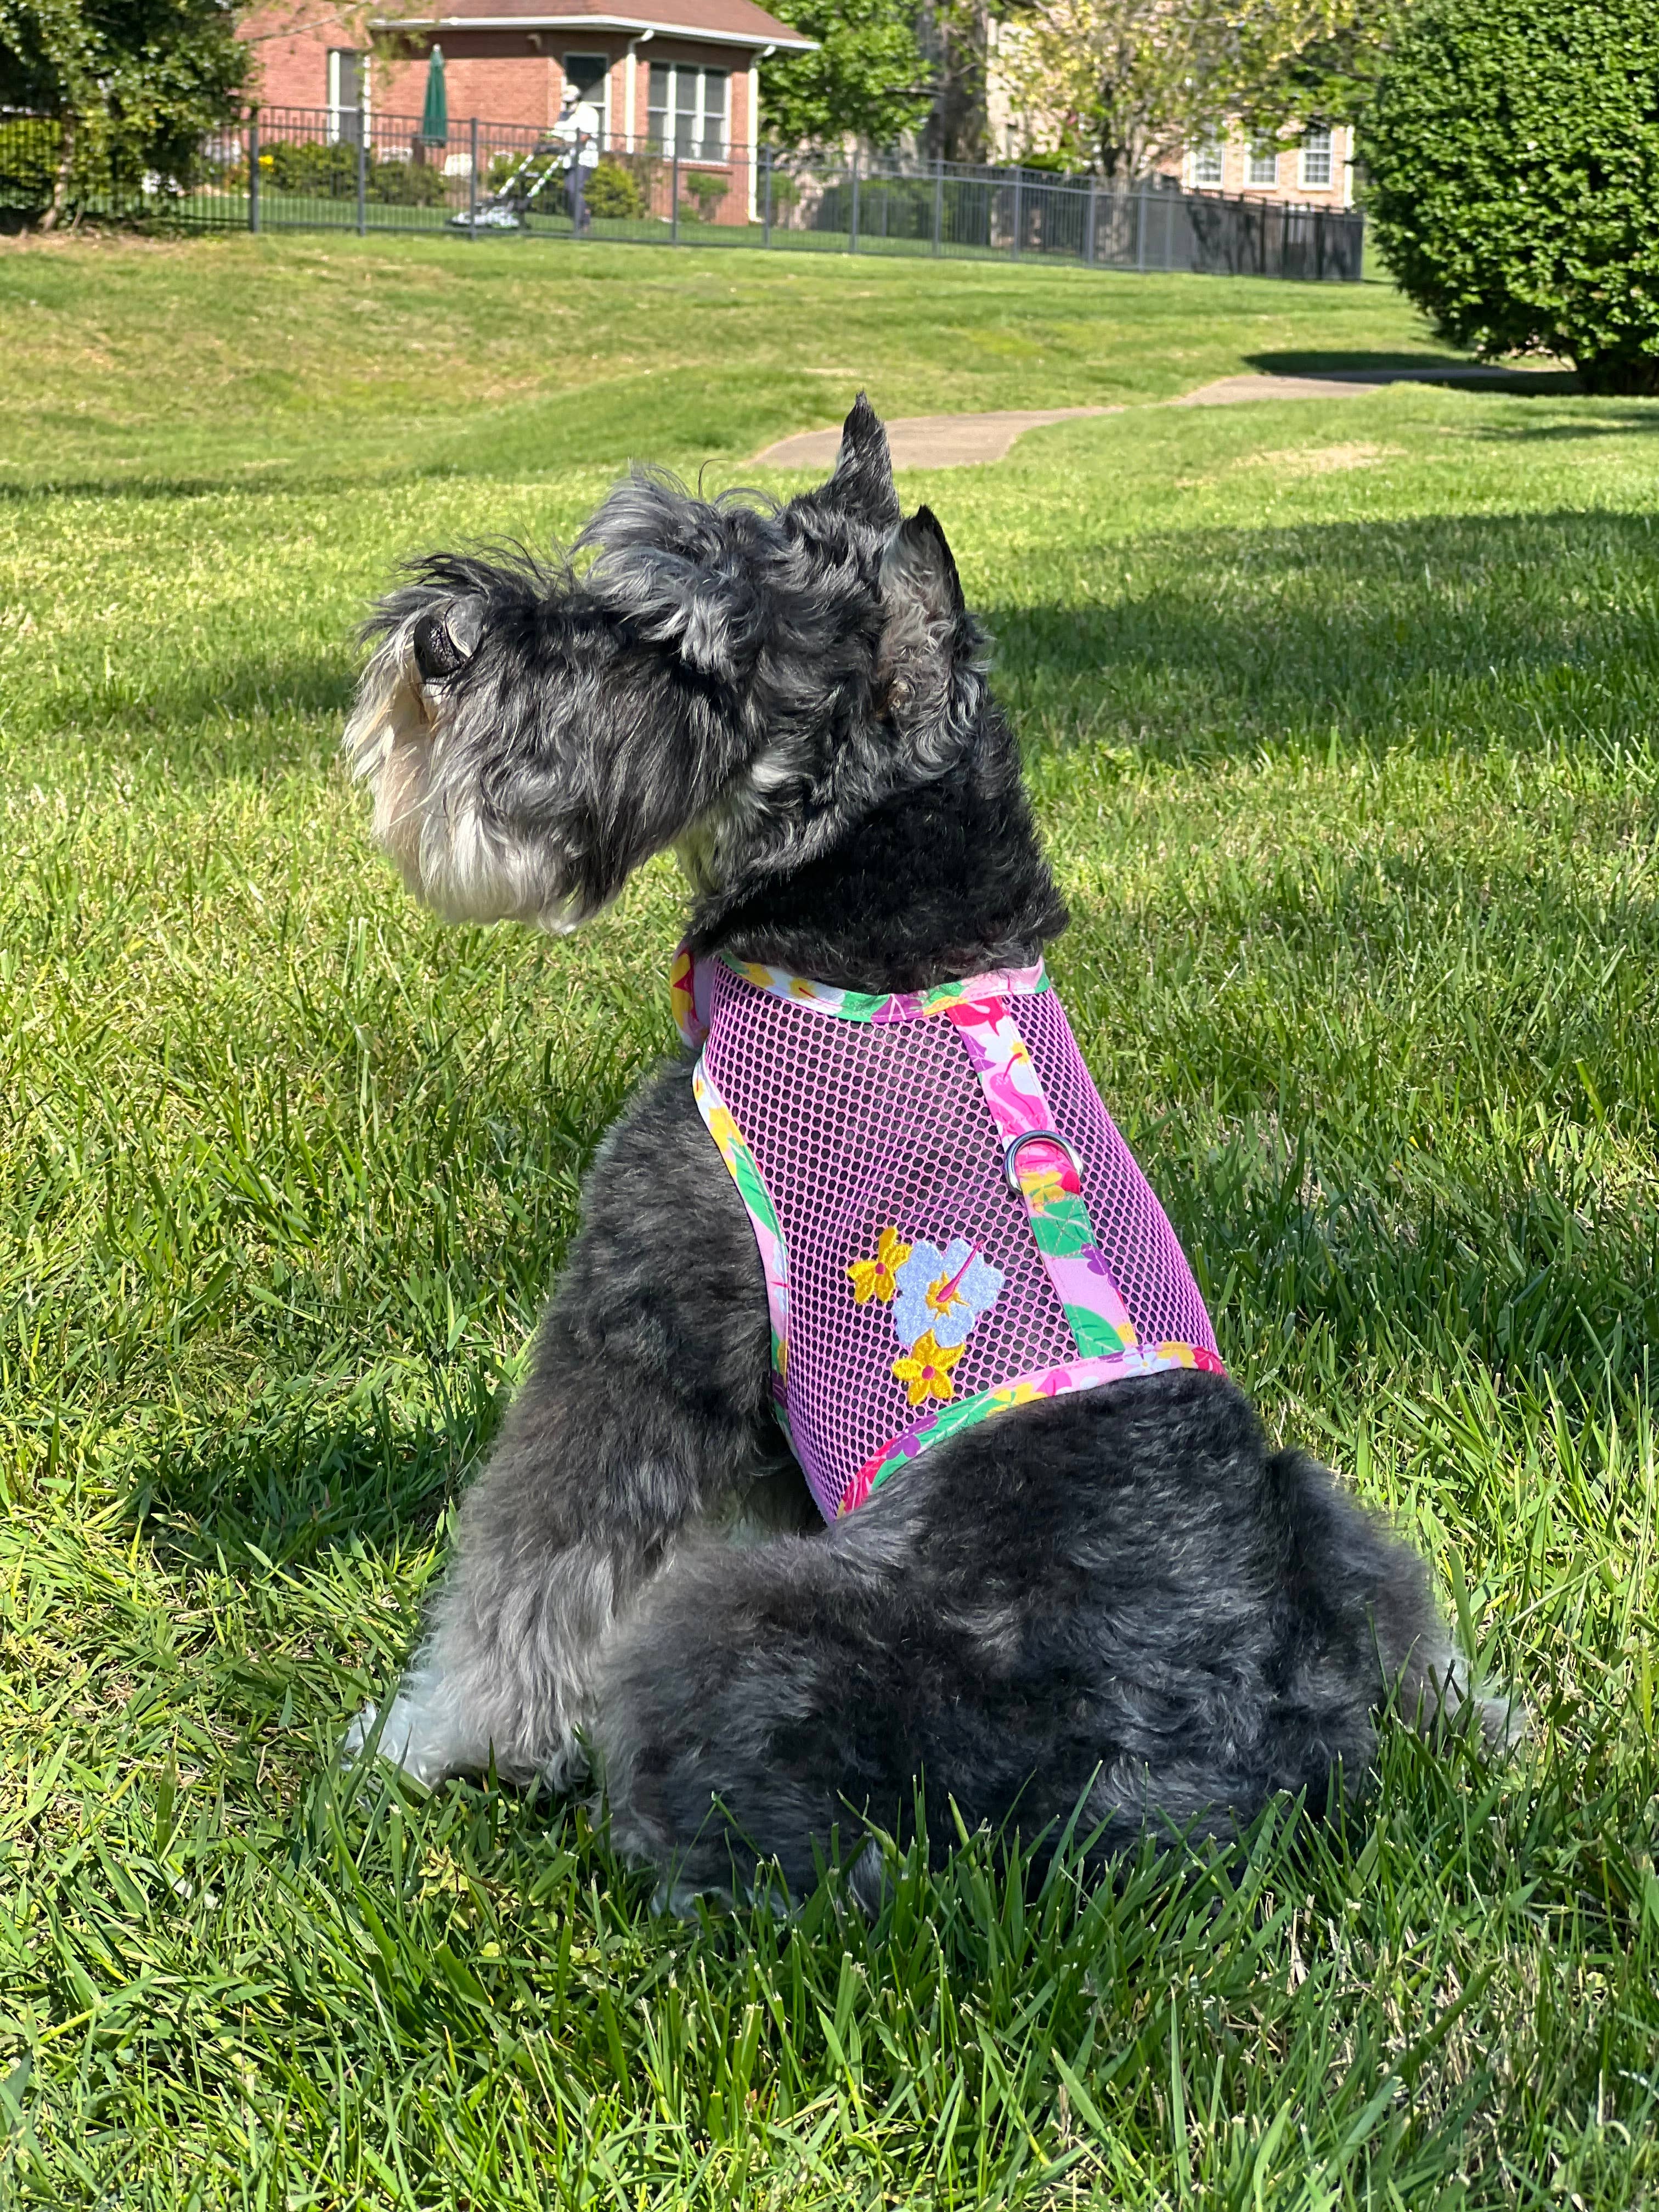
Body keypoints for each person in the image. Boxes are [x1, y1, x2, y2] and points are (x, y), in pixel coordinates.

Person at [551, 82, 601, 235]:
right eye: (565, 102)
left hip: (584, 158)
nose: (567, 105)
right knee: (568, 191)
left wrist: (571, 144)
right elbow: (556, 133)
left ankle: (584, 221)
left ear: (578, 100)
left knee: (573, 188)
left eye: (570, 102)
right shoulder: (564, 115)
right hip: (568, 159)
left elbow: (586, 136)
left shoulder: (589, 113)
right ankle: (580, 219)